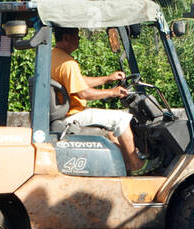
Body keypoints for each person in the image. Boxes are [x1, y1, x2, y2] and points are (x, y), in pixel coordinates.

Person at [50, 25, 144, 173]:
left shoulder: (54, 57)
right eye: (76, 35)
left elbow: (79, 81)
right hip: (72, 114)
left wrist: (108, 79)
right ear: (66, 38)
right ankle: (136, 165)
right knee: (122, 118)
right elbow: (83, 93)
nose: (79, 38)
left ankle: (125, 166)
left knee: (113, 133)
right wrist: (112, 92)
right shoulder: (68, 64)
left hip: (64, 112)